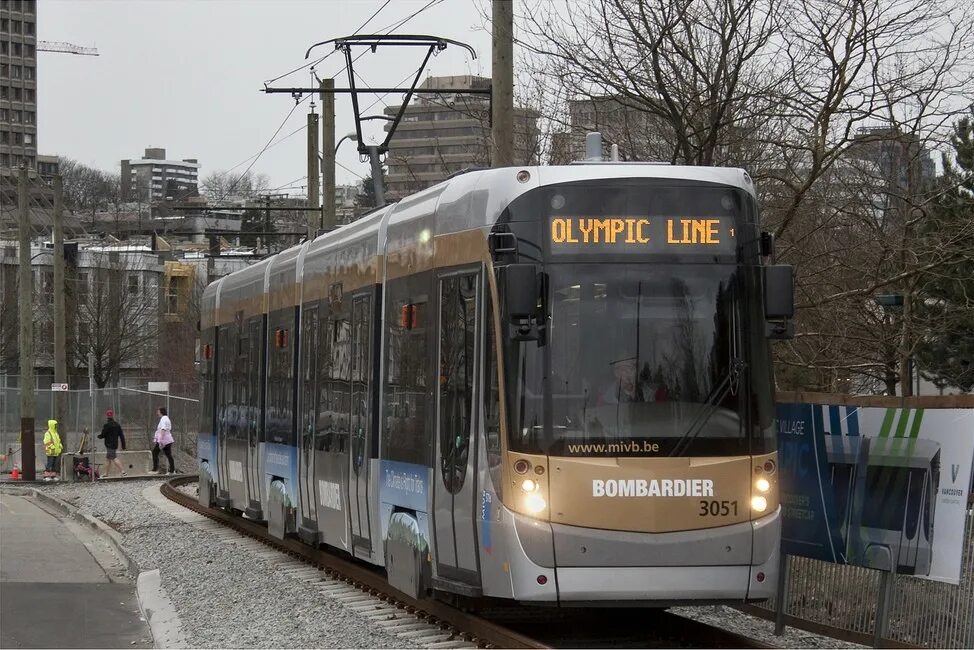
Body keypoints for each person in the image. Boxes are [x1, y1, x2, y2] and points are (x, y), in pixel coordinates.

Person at [97, 410, 127, 478]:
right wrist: (123, 446)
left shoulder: (107, 425)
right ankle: (106, 474)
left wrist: (98, 436)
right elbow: (121, 436)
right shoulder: (117, 425)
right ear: (112, 415)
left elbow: (103, 435)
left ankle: (123, 472)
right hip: (115, 444)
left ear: (107, 416)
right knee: (108, 459)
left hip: (109, 445)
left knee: (114, 458)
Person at [150, 407, 176, 475]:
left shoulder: (163, 419)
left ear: (161, 412)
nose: (157, 413)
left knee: (155, 452)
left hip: (164, 440)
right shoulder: (166, 418)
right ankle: (172, 471)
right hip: (167, 439)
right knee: (168, 455)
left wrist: (160, 441)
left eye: (158, 411)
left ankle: (155, 469)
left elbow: (163, 429)